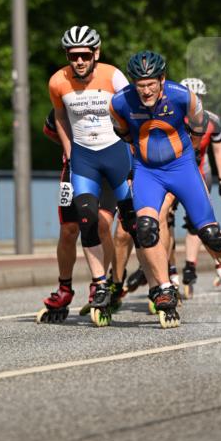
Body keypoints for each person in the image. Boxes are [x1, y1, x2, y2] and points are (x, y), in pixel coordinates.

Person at [110, 51, 221, 325]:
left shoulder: (182, 96)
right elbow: (124, 134)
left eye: (151, 84)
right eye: (140, 84)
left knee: (210, 233)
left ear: (162, 79)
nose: (146, 90)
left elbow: (199, 128)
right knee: (145, 229)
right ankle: (164, 289)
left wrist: (189, 157)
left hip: (182, 167)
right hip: (148, 171)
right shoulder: (119, 102)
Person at [49, 26, 136, 324]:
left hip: (114, 157)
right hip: (80, 163)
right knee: (72, 227)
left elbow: (132, 115)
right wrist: (69, 150)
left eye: (85, 55)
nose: (79, 61)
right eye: (73, 56)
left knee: (107, 225)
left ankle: (113, 283)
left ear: (96, 53)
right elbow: (57, 119)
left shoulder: (113, 77)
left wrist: (135, 153)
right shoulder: (58, 82)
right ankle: (67, 287)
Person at [36, 109, 117, 322]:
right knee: (68, 229)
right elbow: (50, 129)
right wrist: (70, 148)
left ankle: (99, 285)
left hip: (108, 172)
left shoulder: (110, 95)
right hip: (73, 171)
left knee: (102, 224)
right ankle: (64, 288)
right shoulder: (65, 100)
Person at [178, 77, 221, 297]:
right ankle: (167, 270)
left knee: (199, 221)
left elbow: (218, 151)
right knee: (165, 220)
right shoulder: (172, 118)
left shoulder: (212, 120)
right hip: (172, 169)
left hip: (200, 170)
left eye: (200, 98)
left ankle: (191, 266)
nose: (195, 102)